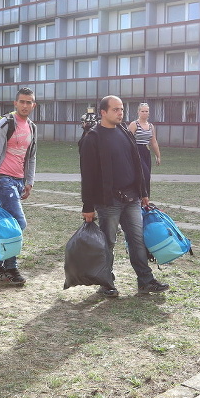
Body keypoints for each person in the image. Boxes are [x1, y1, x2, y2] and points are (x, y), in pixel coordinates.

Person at [79, 95, 170, 297]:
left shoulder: (124, 132)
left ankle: (145, 281)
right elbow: (88, 175)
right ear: (103, 112)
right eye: (115, 109)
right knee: (108, 242)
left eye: (121, 109)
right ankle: (106, 283)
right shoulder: (92, 138)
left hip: (132, 199)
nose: (120, 113)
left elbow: (136, 164)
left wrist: (143, 193)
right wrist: (88, 206)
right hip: (108, 201)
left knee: (137, 240)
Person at [0, 88, 37, 286]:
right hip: (3, 179)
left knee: (5, 225)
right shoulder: (5, 123)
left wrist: (29, 182)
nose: (25, 105)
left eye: (28, 102)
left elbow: (31, 157)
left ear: (33, 105)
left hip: (19, 180)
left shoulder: (31, 127)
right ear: (15, 103)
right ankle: (10, 267)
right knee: (19, 223)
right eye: (21, 101)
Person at [128, 103, 161, 197]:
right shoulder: (134, 124)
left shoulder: (150, 126)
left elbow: (153, 141)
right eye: (142, 111)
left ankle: (146, 200)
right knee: (144, 175)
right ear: (138, 112)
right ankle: (140, 197)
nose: (144, 113)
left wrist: (158, 156)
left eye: (146, 111)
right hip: (136, 151)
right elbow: (127, 140)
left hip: (146, 151)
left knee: (147, 176)